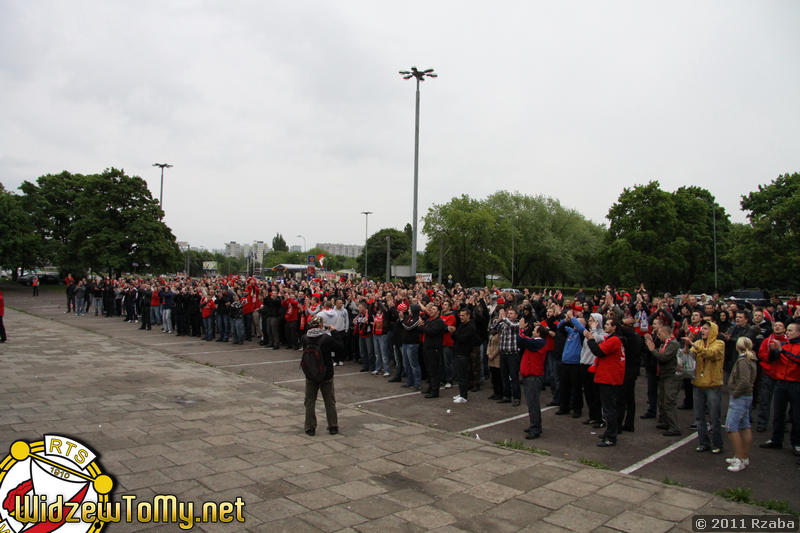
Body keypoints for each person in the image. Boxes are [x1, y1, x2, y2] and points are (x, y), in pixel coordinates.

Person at [584, 317, 626, 447]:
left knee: (609, 409)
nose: (606, 326)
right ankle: (610, 432)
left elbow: (599, 351)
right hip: (607, 376)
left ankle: (611, 436)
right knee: (608, 408)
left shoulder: (614, 340)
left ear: (615, 327)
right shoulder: (612, 339)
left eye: (608, 324)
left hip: (609, 378)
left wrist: (590, 339)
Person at [759, 321, 800, 456]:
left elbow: (797, 359)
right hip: (781, 382)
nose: (787, 333)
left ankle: (796, 443)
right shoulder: (784, 345)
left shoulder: (793, 347)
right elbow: (772, 359)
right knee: (778, 413)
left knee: (796, 415)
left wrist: (782, 350)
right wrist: (773, 351)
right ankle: (777, 439)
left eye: (790, 331)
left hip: (796, 383)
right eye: (787, 330)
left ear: (798, 333)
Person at [687, 320, 725, 454]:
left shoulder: (719, 344)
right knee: (699, 417)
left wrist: (695, 347)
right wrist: (687, 345)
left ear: (713, 331)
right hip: (698, 383)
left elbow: (711, 354)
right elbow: (689, 357)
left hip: (712, 384)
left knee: (714, 417)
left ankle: (717, 443)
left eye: (706, 329)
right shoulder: (697, 343)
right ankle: (703, 442)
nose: (702, 331)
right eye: (702, 329)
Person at [302, 315, 338, 436]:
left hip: (311, 373)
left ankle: (310, 427)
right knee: (329, 401)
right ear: (321, 325)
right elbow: (341, 348)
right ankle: (333, 425)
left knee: (310, 401)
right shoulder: (326, 338)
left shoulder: (305, 338)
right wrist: (334, 332)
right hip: (326, 373)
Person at [725, 337, 757, 472]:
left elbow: (744, 381)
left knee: (731, 427)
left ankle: (739, 457)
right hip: (745, 396)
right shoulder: (749, 359)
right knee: (744, 425)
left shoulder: (743, 361)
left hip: (741, 397)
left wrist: (735, 393)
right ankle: (743, 456)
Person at [645, 325, 682, 436]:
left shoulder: (673, 344)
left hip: (671, 376)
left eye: (660, 334)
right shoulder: (664, 343)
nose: (658, 336)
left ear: (666, 333)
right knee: (662, 400)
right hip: (663, 375)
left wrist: (653, 350)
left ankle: (674, 427)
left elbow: (664, 357)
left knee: (669, 401)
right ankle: (666, 422)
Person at [517, 320, 549, 439]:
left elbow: (522, 340)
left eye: (535, 331)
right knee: (531, 403)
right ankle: (533, 424)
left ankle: (536, 428)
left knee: (533, 403)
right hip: (529, 375)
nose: (533, 332)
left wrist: (520, 329)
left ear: (539, 334)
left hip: (533, 376)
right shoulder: (536, 342)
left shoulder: (539, 342)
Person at [451, 307, 481, 403]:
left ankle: (464, 396)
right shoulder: (462, 325)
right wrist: (454, 333)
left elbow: (461, 338)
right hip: (459, 352)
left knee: (463, 375)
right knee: (460, 375)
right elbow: (456, 337)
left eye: (463, 316)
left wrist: (454, 333)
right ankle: (461, 393)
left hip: (464, 353)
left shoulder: (470, 327)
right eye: (460, 315)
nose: (461, 317)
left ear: (468, 316)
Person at [422, 303, 447, 398]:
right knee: (429, 369)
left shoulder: (439, 322)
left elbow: (431, 332)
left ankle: (435, 391)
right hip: (427, 347)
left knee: (434, 370)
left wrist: (422, 327)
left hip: (434, 349)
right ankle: (431, 387)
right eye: (431, 309)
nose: (431, 310)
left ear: (438, 312)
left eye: (434, 309)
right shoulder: (430, 320)